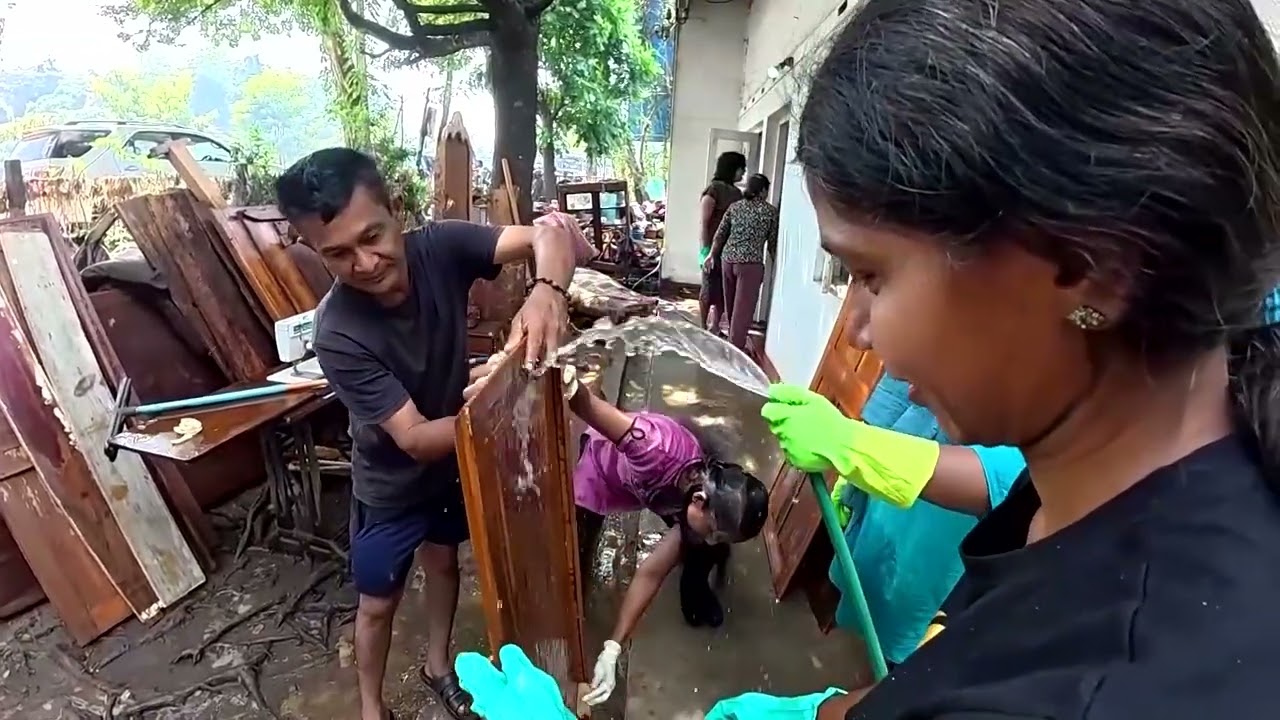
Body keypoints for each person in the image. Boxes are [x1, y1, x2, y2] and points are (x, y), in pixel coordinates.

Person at [459, 0, 1280, 717]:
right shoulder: (1144, 462)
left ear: (1089, 264)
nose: (855, 333)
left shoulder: (1108, 681)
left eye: (870, 275)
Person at [276, 147, 578, 720]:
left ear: (396, 211)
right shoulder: (337, 331)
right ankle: (371, 706)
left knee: (444, 563)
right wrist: (497, 399)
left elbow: (551, 234)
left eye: (373, 236)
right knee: (376, 603)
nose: (365, 263)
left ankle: (438, 666)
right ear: (314, 251)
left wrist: (546, 293)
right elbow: (412, 438)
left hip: (450, 466)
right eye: (337, 253)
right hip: (391, 485)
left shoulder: (441, 247)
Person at [462, 353, 769, 708]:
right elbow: (591, 409)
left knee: (698, 551)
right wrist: (570, 384)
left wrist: (612, 648)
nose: (713, 539)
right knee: (575, 550)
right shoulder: (653, 448)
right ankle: (570, 622)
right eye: (715, 531)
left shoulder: (698, 499)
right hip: (601, 470)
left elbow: (650, 573)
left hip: (654, 491)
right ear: (699, 501)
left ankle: (695, 597)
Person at [772, 286, 1026, 670]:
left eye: (873, 276)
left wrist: (852, 447)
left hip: (940, 538)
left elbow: (1006, 478)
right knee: (867, 590)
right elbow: (888, 402)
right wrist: (852, 474)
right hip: (885, 499)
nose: (856, 335)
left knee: (907, 644)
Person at [705, 173, 779, 350]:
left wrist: (711, 255)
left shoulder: (735, 207)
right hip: (750, 265)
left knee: (731, 306)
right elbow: (773, 242)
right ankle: (735, 350)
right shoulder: (769, 212)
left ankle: (733, 341)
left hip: (728, 260)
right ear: (762, 191)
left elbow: (720, 234)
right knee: (743, 311)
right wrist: (778, 265)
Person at [699, 151, 746, 333]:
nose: (742, 174)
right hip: (711, 249)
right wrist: (705, 250)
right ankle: (703, 326)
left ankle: (715, 326)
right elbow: (704, 222)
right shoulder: (713, 190)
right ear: (732, 169)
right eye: (741, 169)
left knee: (723, 291)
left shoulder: (737, 194)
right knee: (708, 288)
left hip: (729, 250)